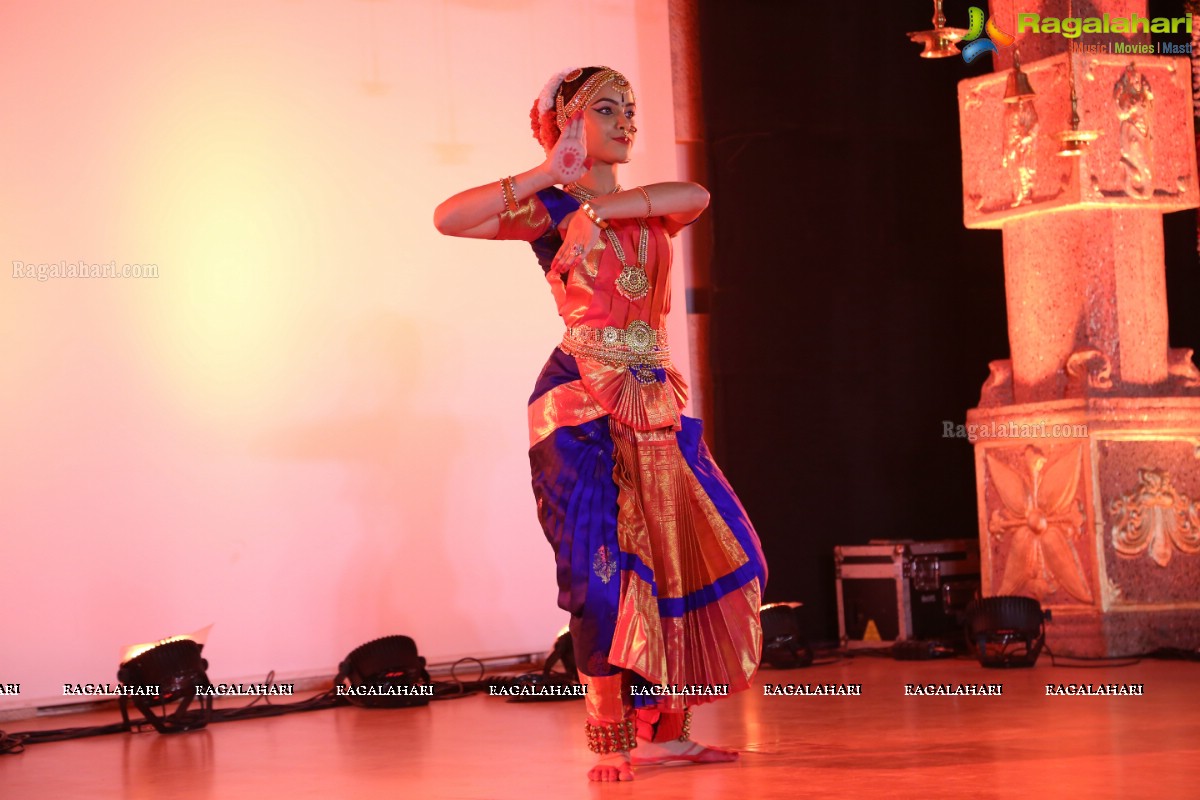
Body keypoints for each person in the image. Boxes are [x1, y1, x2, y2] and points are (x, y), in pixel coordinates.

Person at [434, 66, 767, 782]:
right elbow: (449, 218)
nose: (626, 123)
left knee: (708, 556)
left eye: (631, 110)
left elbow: (698, 194)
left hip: (654, 401)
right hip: (578, 405)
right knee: (601, 575)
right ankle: (612, 736)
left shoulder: (647, 207)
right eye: (607, 110)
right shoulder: (548, 209)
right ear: (569, 123)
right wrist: (544, 173)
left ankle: (669, 731)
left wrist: (604, 213)